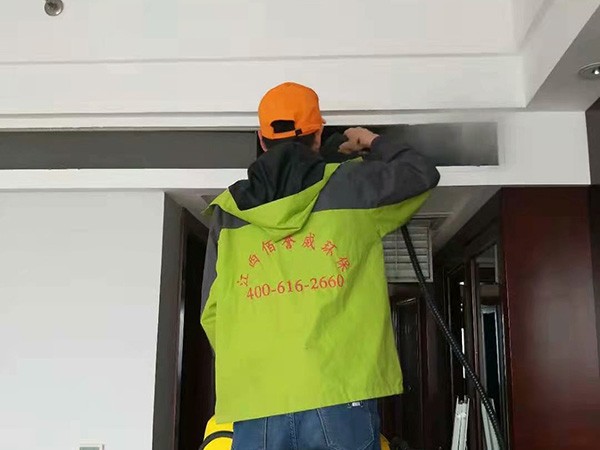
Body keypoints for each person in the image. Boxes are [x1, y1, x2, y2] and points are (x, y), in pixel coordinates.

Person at [201, 82, 440, 450]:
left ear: (261, 140)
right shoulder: (353, 186)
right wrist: (368, 140)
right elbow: (420, 172)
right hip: (339, 391)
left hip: (257, 399)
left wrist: (255, 368)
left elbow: (212, 312)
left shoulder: (228, 212)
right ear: (317, 135)